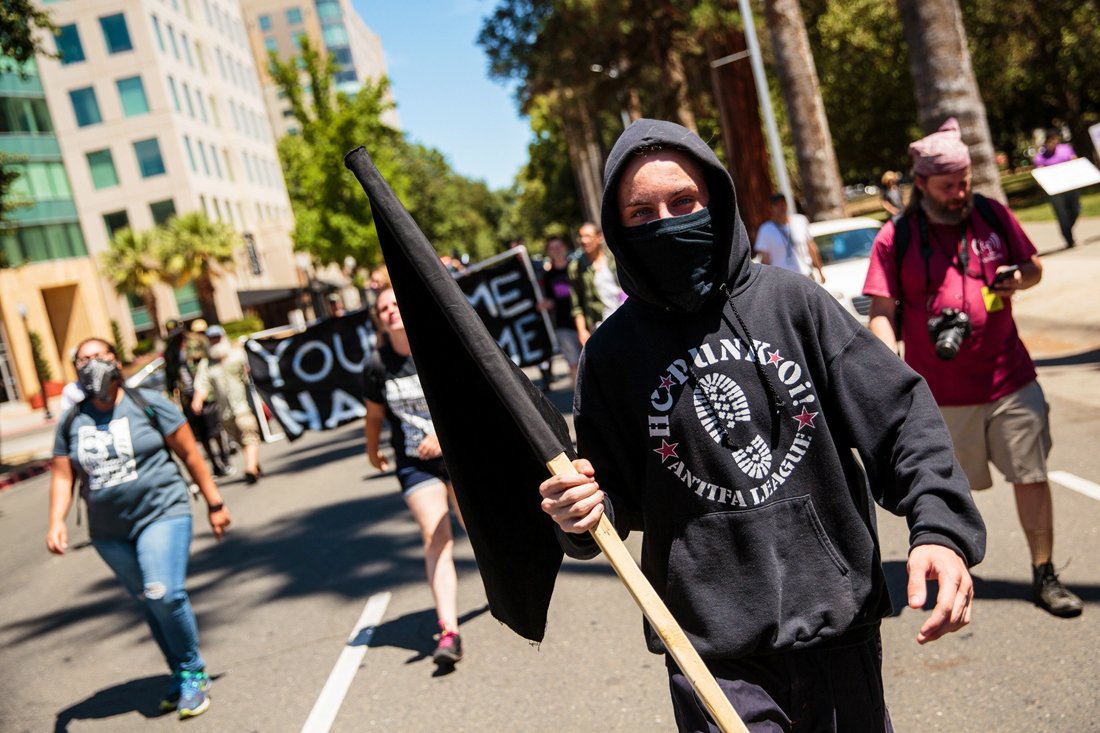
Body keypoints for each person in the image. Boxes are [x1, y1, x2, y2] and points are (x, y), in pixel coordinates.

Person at [538, 119, 986, 731]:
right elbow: (609, 505)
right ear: (618, 228)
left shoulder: (794, 303)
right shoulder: (611, 355)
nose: (666, 222)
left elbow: (901, 415)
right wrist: (581, 514)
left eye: (683, 202)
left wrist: (939, 528)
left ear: (716, 202)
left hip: (837, 627)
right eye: (641, 212)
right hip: (709, 654)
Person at [864, 118, 1082, 619]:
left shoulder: (991, 215)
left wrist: (1017, 281)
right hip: (939, 395)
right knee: (943, 490)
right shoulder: (895, 237)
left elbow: (1033, 268)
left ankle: (1045, 573)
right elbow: (882, 311)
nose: (960, 193)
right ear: (921, 185)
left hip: (1010, 378)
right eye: (948, 185)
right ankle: (952, 577)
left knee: (1031, 474)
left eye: (964, 182)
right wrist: (887, 363)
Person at [47, 337, 230, 719]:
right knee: (148, 599)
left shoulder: (147, 403)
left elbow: (190, 454)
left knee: (163, 592)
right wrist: (56, 522)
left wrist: (215, 502)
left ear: (116, 361)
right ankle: (180, 674)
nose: (92, 364)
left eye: (100, 356)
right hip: (109, 533)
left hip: (161, 512)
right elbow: (63, 476)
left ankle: (194, 671)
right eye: (84, 359)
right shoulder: (72, 420)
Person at [363, 287, 466, 667]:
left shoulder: (435, 346)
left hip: (458, 454)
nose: (391, 311)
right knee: (435, 535)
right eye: (383, 308)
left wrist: (442, 434)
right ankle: (449, 630)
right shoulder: (377, 365)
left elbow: (466, 396)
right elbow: (374, 415)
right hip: (414, 463)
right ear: (379, 319)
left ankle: (510, 591)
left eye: (395, 304)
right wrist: (371, 449)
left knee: (477, 528)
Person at [192, 325, 263, 484]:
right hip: (225, 413)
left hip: (243, 407)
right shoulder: (207, 364)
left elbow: (253, 369)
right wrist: (197, 400)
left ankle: (250, 467)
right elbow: (202, 385)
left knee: (249, 435)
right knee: (240, 440)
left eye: (217, 337)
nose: (215, 341)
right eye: (211, 339)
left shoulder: (238, 355)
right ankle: (254, 464)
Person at [164, 319, 232, 476]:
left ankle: (224, 455)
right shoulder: (170, 351)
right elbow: (170, 374)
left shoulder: (197, 341)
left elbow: (212, 359)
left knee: (214, 427)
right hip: (186, 395)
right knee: (201, 433)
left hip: (204, 391)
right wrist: (170, 393)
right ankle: (215, 464)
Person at [568, 222, 624, 346]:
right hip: (601, 324)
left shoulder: (614, 257)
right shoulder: (576, 267)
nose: (583, 240)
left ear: (599, 237)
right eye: (581, 236)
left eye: (587, 236)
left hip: (626, 315)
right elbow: (576, 305)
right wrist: (582, 331)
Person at [753, 193, 826, 282]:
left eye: (783, 204)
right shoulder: (765, 230)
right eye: (778, 205)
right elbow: (765, 259)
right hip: (783, 280)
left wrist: (820, 271)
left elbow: (811, 247)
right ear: (771, 208)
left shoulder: (800, 221)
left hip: (806, 275)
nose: (781, 208)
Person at [539, 236, 582, 386]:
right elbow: (548, 299)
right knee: (574, 364)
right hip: (563, 325)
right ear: (548, 252)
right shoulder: (548, 277)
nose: (557, 251)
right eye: (553, 248)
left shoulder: (577, 267)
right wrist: (545, 304)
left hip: (585, 322)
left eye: (559, 247)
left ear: (564, 247)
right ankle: (582, 401)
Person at [1032, 128, 1080, 248]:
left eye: (1055, 139)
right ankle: (1069, 239)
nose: (1054, 143)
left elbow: (1075, 161)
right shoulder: (1040, 157)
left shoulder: (1065, 149)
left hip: (1070, 186)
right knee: (1062, 214)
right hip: (1055, 192)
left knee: (1076, 209)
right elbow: (1039, 173)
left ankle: (1067, 227)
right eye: (1051, 141)